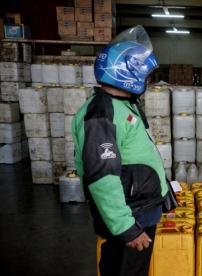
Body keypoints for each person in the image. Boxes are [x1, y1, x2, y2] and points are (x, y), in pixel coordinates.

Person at [72, 25, 169, 276]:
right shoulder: (102, 114)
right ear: (128, 73)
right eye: (146, 75)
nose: (148, 80)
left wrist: (164, 193)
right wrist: (126, 228)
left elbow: (139, 154)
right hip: (130, 218)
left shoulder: (124, 104)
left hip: (140, 210)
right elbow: (102, 177)